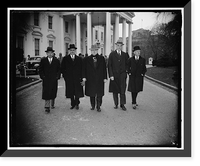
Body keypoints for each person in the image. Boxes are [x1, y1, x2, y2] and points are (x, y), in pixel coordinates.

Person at [82, 45, 107, 112]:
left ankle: (98, 106)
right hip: (90, 79)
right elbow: (83, 69)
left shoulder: (102, 58)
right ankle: (92, 105)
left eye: (95, 50)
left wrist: (105, 77)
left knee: (99, 93)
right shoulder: (86, 59)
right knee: (92, 93)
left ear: (97, 50)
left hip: (99, 78)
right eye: (92, 50)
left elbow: (104, 69)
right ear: (90, 51)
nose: (94, 51)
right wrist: (84, 77)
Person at [108, 39, 129, 111]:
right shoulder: (112, 54)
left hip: (122, 75)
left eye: (120, 46)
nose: (119, 47)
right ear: (116, 46)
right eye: (118, 45)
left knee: (122, 90)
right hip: (114, 75)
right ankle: (116, 104)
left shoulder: (125, 55)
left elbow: (127, 64)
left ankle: (122, 104)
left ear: (122, 46)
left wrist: (126, 71)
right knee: (115, 91)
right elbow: (109, 65)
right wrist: (111, 75)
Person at [61, 44, 84, 110]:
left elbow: (82, 69)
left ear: (75, 51)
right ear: (69, 51)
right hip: (69, 79)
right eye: (71, 50)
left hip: (77, 78)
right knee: (71, 92)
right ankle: (72, 104)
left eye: (73, 50)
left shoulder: (79, 59)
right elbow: (62, 69)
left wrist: (82, 77)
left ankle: (77, 103)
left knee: (77, 92)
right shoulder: (65, 59)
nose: (72, 51)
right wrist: (65, 77)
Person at [39, 47, 60, 113]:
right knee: (46, 93)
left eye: (51, 53)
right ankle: (47, 107)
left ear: (53, 53)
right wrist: (43, 77)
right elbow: (40, 70)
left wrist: (57, 76)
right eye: (48, 53)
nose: (50, 54)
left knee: (53, 92)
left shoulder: (56, 61)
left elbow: (59, 70)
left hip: (54, 79)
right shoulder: (43, 60)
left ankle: (52, 103)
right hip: (46, 80)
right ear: (47, 53)